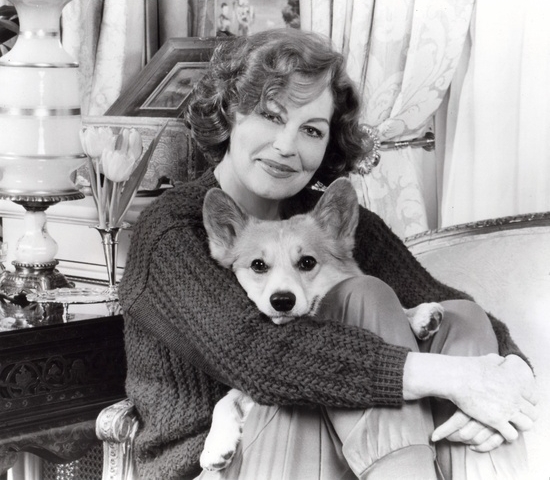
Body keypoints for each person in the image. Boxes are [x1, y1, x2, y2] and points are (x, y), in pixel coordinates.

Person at [119, 28, 538, 480]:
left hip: (334, 447)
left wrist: (510, 374)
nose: (286, 145)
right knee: (364, 297)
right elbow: (259, 357)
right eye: (270, 116)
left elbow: (454, 306)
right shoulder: (171, 232)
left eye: (311, 130)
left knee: (461, 318)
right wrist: (457, 379)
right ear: (229, 115)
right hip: (216, 462)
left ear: (327, 145)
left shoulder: (327, 223)